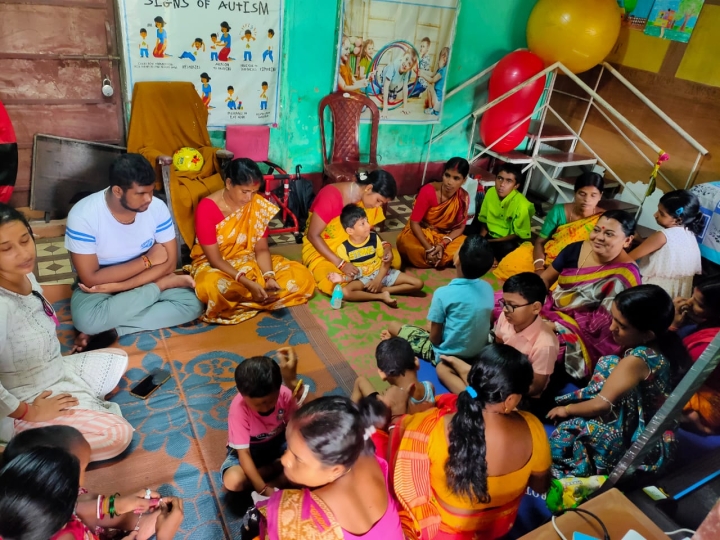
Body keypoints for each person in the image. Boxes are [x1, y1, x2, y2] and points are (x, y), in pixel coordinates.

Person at [0, 204, 132, 462]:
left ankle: (79, 410)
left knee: (117, 359)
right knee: (117, 435)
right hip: (25, 398)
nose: (23, 253)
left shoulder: (23, 275)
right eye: (6, 249)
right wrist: (31, 412)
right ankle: (20, 448)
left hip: (54, 369)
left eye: (25, 240)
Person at [392, 344, 551, 540]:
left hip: (446, 532)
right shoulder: (533, 428)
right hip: (499, 528)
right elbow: (540, 486)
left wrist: (396, 419)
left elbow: (403, 482)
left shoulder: (427, 428)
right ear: (510, 400)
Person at [548, 285, 691, 478]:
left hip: (639, 445)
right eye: (613, 318)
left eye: (622, 326)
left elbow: (601, 405)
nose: (611, 328)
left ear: (647, 334)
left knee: (564, 437)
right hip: (645, 421)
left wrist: (566, 409)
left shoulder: (637, 360)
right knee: (611, 364)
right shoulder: (661, 345)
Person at [65, 153, 203, 349]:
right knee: (87, 320)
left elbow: (170, 263)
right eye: (140, 193)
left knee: (193, 304)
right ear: (118, 191)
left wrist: (122, 286)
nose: (149, 199)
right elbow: (91, 279)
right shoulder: (83, 215)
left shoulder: (157, 208)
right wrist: (147, 261)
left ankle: (112, 329)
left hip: (145, 279)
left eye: (151, 191)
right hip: (103, 288)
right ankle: (155, 291)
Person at [256, 396, 404, 540]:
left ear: (335, 471)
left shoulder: (299, 515)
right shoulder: (362, 449)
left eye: (297, 458)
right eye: (288, 446)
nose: (284, 460)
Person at [190, 158, 314, 324]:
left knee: (302, 276)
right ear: (229, 183)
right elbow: (215, 260)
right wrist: (247, 283)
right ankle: (259, 297)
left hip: (250, 260)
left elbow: (261, 249)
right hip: (217, 266)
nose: (249, 198)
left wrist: (269, 277)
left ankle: (249, 299)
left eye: (254, 192)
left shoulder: (257, 204)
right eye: (245, 191)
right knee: (211, 286)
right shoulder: (207, 208)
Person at [2, 426, 165, 539]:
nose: (82, 478)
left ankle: (138, 523)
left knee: (87, 500)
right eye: (82, 468)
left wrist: (119, 505)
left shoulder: (39, 504)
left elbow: (83, 507)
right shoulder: (64, 534)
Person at [540, 210, 641, 379]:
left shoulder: (626, 276)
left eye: (609, 234)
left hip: (581, 336)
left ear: (627, 241)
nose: (599, 237)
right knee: (506, 305)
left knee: (543, 348)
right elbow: (545, 279)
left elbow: (606, 327)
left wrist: (557, 326)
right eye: (596, 230)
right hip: (550, 307)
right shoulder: (576, 248)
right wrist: (532, 303)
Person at [439, 273, 558, 399]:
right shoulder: (507, 318)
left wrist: (496, 384)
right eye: (504, 303)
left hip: (516, 391)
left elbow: (535, 388)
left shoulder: (545, 345)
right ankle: (473, 395)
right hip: (498, 373)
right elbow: (498, 346)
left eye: (512, 305)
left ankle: (474, 395)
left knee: (490, 394)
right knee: (443, 368)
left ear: (535, 308)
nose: (505, 310)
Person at [382, 235, 495, 366]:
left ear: (457, 259)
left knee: (393, 326)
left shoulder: (442, 294)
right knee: (433, 326)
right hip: (478, 352)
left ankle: (400, 340)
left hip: (446, 355)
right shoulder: (488, 288)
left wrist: (433, 329)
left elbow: (434, 339)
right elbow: (487, 320)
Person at [222, 348, 307, 494]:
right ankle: (277, 470)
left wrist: (293, 451)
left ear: (278, 389)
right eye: (258, 404)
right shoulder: (238, 409)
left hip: (279, 442)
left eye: (270, 401)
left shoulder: (285, 394)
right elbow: (244, 453)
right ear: (242, 394)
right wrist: (262, 490)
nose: (265, 407)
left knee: (310, 452)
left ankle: (278, 476)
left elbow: (295, 428)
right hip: (251, 449)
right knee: (233, 481)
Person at [303, 170, 399, 296]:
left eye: (382, 203)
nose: (378, 206)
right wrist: (341, 264)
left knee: (395, 260)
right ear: (369, 188)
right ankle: (371, 284)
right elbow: (312, 235)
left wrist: (385, 246)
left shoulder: (367, 201)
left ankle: (361, 284)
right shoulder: (330, 196)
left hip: (359, 247)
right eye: (378, 200)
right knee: (332, 283)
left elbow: (369, 231)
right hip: (326, 252)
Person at [494, 172, 605, 281]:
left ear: (600, 196)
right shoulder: (558, 211)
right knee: (511, 263)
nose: (587, 199)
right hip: (548, 257)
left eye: (593, 195)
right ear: (575, 193)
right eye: (582, 194)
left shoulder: (604, 219)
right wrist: (539, 268)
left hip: (573, 267)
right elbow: (540, 242)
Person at [328, 205, 423, 307]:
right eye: (362, 224)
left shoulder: (374, 237)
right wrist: (341, 278)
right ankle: (380, 296)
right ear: (350, 230)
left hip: (382, 273)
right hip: (363, 278)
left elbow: (386, 261)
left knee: (418, 283)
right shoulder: (343, 249)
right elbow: (351, 275)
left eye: (367, 221)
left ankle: (383, 290)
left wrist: (377, 281)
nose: (368, 225)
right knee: (345, 292)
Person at [396, 157, 470, 269]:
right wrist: (429, 248)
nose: (449, 182)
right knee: (407, 244)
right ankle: (441, 258)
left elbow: (460, 227)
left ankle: (435, 257)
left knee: (467, 245)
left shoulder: (463, 197)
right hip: (421, 232)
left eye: (456, 178)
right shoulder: (428, 191)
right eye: (447, 175)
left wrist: (443, 244)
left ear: (464, 180)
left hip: (445, 236)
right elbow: (414, 223)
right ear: (443, 174)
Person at [630, 189, 703, 298]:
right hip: (676, 295)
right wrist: (640, 240)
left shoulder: (663, 235)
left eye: (661, 214)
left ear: (678, 220)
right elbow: (664, 252)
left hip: (653, 292)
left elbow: (628, 258)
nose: (655, 215)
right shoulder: (689, 233)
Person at [673, 276, 720, 434]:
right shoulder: (707, 325)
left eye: (699, 304)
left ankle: (704, 428)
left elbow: (677, 371)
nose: (688, 302)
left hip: (711, 399)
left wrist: (671, 326)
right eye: (692, 296)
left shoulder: (709, 347)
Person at [351, 337, 436, 414]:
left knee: (360, 381)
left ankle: (349, 414)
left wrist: (382, 399)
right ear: (416, 362)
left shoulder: (391, 402)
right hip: (422, 421)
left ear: (383, 374)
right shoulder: (429, 387)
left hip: (388, 419)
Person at [478, 164, 535, 264]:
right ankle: (487, 254)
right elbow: (484, 220)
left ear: (516, 186)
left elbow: (518, 235)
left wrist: (489, 242)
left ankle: (490, 256)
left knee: (510, 249)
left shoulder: (522, 205)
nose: (502, 184)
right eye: (500, 178)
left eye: (509, 181)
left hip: (505, 241)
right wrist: (480, 240)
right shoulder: (491, 192)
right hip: (489, 235)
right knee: (469, 231)